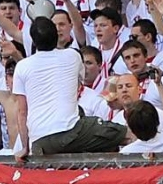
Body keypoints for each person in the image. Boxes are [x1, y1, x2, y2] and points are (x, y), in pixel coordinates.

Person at [10, 16, 123, 156]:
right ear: (56, 36)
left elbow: (22, 112)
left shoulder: (21, 66)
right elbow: (80, 80)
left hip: (39, 141)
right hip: (71, 131)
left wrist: (25, 148)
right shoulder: (73, 55)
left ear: (33, 41)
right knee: (122, 133)